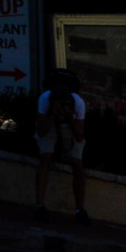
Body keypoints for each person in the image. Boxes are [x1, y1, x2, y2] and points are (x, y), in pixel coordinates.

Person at [34, 71, 89, 223]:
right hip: (49, 121)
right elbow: (41, 131)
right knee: (45, 157)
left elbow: (79, 136)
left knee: (77, 163)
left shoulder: (78, 103)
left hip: (70, 123)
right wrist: (52, 114)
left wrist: (70, 117)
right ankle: (40, 205)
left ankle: (80, 209)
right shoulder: (44, 99)